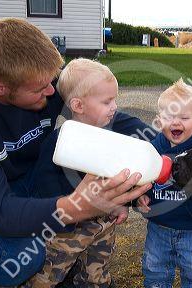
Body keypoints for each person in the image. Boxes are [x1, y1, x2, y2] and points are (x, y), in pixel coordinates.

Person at [0, 18, 151, 287]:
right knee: (15, 259)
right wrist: (77, 207)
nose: (53, 91)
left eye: (52, 80)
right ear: (1, 89)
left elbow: (99, 114)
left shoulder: (39, 74)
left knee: (72, 196)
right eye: (41, 89)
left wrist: (157, 145)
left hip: (28, 174)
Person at [23, 58, 135, 288]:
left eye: (114, 99)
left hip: (103, 223)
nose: (114, 107)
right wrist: (65, 216)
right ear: (78, 106)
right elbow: (43, 186)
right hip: (67, 233)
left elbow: (115, 178)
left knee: (97, 269)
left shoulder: (110, 137)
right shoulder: (61, 142)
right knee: (49, 274)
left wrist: (121, 204)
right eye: (107, 101)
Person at [136, 79, 192, 287]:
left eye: (184, 117)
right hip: (159, 227)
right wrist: (140, 196)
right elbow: (143, 177)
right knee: (154, 270)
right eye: (169, 116)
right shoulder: (152, 149)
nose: (176, 122)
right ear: (158, 120)